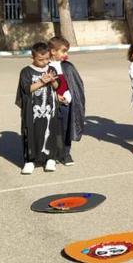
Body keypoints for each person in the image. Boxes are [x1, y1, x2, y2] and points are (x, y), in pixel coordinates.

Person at [16, 42, 65, 174]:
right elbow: (27, 89)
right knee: (31, 133)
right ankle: (30, 160)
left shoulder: (51, 69)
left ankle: (50, 158)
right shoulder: (26, 71)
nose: (44, 62)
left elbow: (56, 86)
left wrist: (52, 80)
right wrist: (42, 81)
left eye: (47, 59)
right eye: (40, 59)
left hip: (50, 108)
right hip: (32, 109)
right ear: (32, 57)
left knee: (50, 131)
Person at [48, 37, 86, 166]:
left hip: (66, 105)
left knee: (66, 129)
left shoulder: (68, 66)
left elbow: (75, 85)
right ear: (53, 51)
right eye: (63, 51)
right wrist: (55, 96)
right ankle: (52, 154)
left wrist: (69, 96)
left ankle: (65, 154)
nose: (66, 55)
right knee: (53, 129)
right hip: (51, 105)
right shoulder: (46, 67)